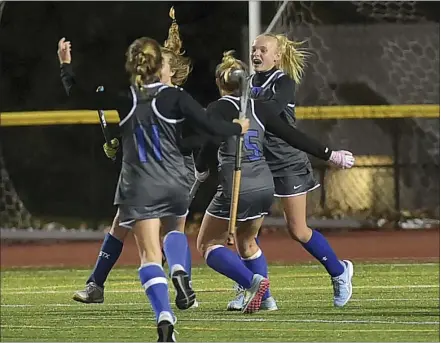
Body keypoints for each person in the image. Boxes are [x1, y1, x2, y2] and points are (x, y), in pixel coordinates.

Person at [57, 36, 249, 341]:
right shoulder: (178, 99)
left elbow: (79, 95)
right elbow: (210, 127)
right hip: (174, 179)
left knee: (148, 254)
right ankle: (179, 273)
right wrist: (238, 128)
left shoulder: (127, 97)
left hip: (140, 183)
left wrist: (66, 67)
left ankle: (163, 315)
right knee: (174, 231)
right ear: (160, 66)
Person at [195, 51, 355, 314]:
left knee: (207, 244)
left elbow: (208, 145)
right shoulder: (260, 107)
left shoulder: (217, 108)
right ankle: (266, 300)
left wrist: (200, 170)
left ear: (219, 82)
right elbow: (293, 136)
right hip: (264, 183)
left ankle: (252, 283)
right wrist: (330, 154)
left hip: (239, 184)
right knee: (247, 241)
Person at [71, 7, 198, 310]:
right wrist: (117, 141)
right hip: (171, 173)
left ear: (168, 71)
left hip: (158, 175)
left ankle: (97, 284)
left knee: (134, 231)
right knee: (169, 231)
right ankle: (183, 287)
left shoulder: (167, 98)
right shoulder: (160, 97)